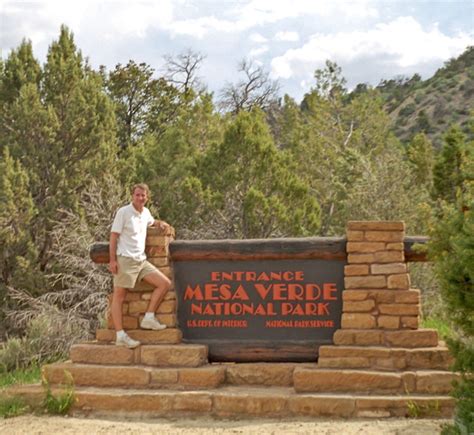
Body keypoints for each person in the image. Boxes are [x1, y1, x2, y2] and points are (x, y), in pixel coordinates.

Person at [109, 183, 171, 348]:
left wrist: (160, 223)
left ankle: (148, 317)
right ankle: (120, 335)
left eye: (143, 195)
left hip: (141, 261)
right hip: (125, 260)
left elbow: (152, 222)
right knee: (119, 296)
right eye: (137, 195)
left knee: (164, 283)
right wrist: (113, 260)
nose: (140, 198)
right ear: (132, 196)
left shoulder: (146, 213)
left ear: (147, 197)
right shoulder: (123, 212)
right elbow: (114, 237)